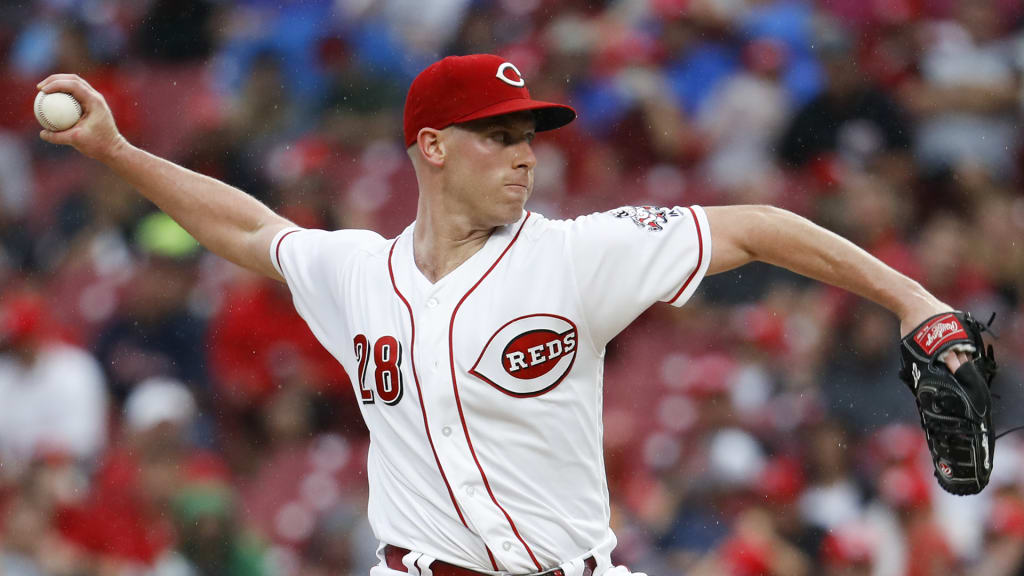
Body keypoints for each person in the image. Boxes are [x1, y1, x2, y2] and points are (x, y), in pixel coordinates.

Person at [37, 53, 970, 576]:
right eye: (499, 136)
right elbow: (250, 231)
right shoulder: (359, 274)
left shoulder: (576, 255)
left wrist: (913, 298)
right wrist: (116, 149)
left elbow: (758, 227)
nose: (525, 157)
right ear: (433, 147)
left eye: (529, 137)